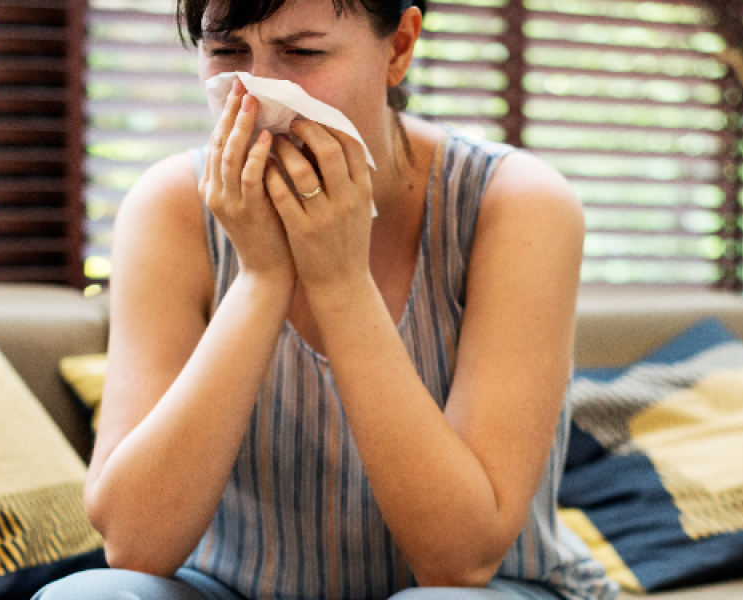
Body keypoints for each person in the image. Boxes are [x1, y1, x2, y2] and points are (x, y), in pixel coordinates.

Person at [35, 0, 616, 599]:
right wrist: (261, 278)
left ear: (398, 48)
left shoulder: (515, 203)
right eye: (228, 52)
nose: (257, 93)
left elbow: (459, 563)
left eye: (302, 52)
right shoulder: (172, 205)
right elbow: (134, 545)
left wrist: (340, 283)